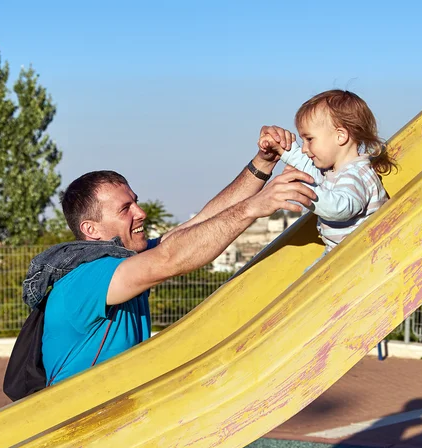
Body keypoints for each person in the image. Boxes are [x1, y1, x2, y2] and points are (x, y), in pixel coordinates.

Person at [31, 131, 317, 386]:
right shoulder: (88, 275)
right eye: (125, 209)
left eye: (136, 202)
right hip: (78, 426)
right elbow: (171, 258)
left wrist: (262, 163)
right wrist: (254, 207)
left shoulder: (127, 258)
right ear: (90, 230)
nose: (140, 213)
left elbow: (203, 223)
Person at [258, 90, 395, 264]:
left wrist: (302, 189)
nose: (304, 148)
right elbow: (307, 167)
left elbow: (340, 208)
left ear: (340, 136)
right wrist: (280, 147)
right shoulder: (334, 172)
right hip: (343, 256)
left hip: (361, 260)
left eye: (309, 139)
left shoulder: (356, 175)